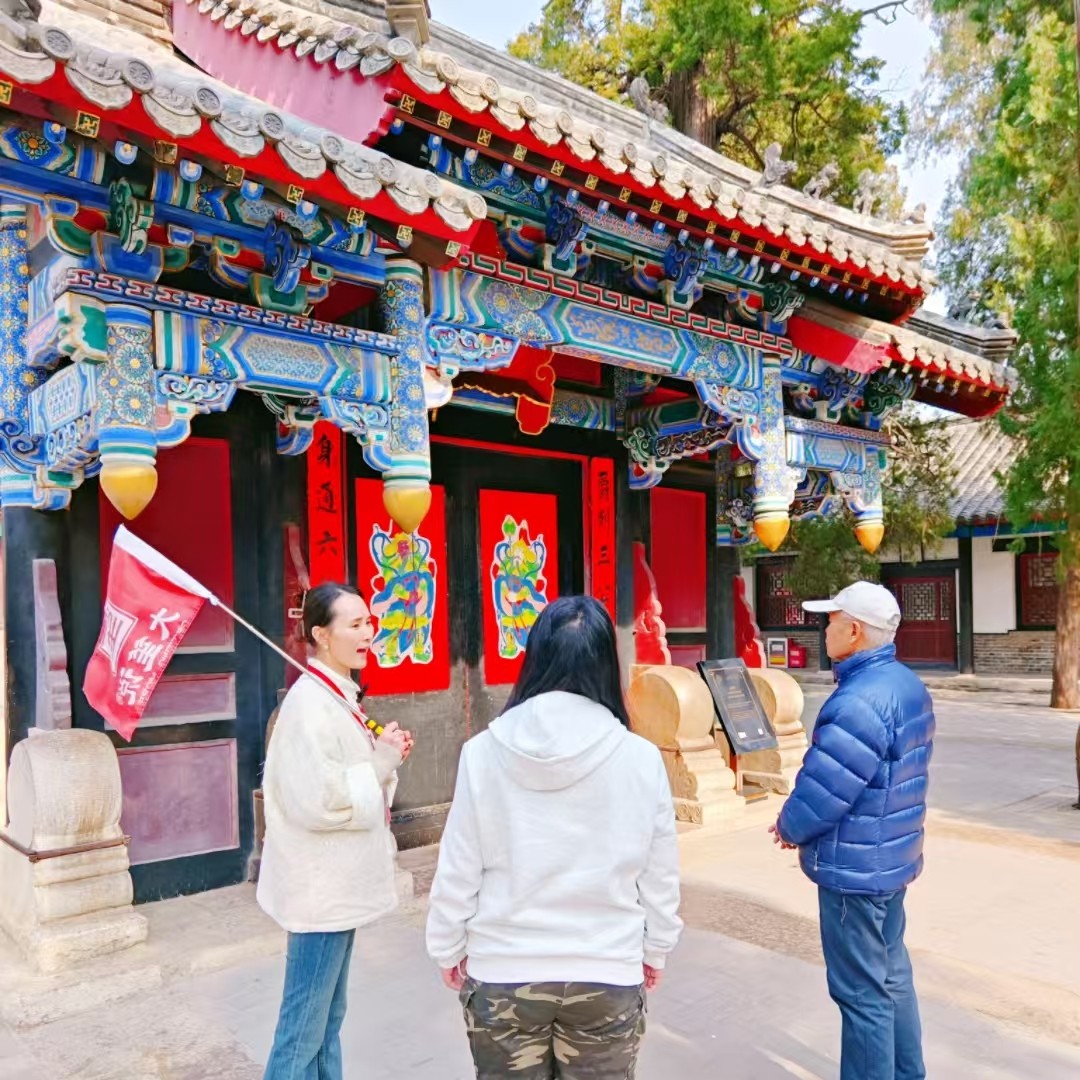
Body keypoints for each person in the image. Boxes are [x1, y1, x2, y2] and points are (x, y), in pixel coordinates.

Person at [426, 595, 682, 1079]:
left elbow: (459, 864)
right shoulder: (640, 757)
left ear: (536, 658)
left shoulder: (483, 752)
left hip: (505, 969)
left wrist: (447, 944)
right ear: (607, 663)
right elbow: (659, 872)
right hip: (606, 969)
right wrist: (657, 947)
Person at [770, 581, 934, 1080]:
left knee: (862, 994)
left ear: (855, 630)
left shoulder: (859, 701)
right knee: (892, 976)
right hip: (891, 858)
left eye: (831, 621)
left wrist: (789, 825)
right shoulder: (906, 684)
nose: (825, 630)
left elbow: (827, 787)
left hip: (855, 869)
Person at [258, 582, 414, 1080]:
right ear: (322, 635)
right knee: (303, 1028)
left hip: (336, 889)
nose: (368, 633)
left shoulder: (335, 695)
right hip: (320, 893)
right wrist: (381, 762)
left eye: (369, 622)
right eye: (355, 624)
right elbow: (318, 800)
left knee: (326, 1020)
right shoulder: (309, 705)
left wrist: (382, 755)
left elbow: (347, 776)